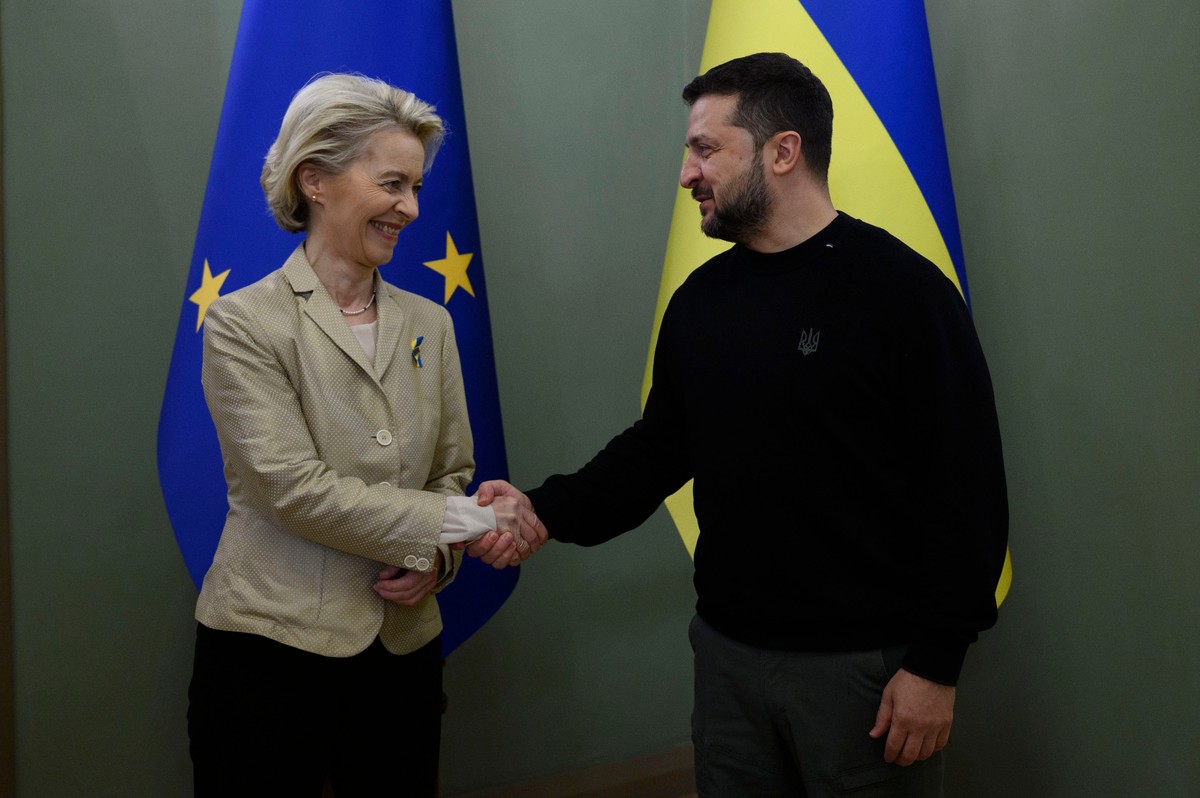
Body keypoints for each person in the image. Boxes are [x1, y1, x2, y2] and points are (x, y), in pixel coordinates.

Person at [472, 53, 1008, 796]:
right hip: (727, 659)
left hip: (865, 673)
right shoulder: (702, 300)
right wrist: (541, 509)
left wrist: (935, 666)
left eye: (705, 149)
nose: (686, 174)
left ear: (782, 151)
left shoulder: (903, 294)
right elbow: (658, 451)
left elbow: (967, 489)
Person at [187, 73, 543, 797]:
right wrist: (472, 521)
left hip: (402, 648)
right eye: (391, 184)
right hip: (269, 649)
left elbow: (450, 469)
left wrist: (437, 559)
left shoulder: (431, 323)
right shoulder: (243, 324)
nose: (410, 208)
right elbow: (291, 490)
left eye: (415, 187)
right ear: (314, 180)